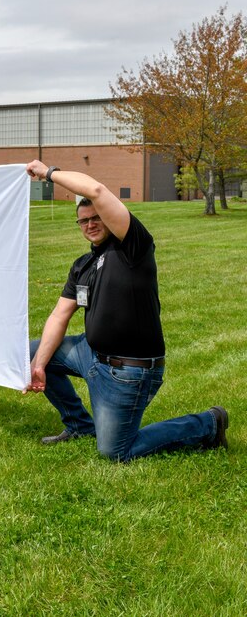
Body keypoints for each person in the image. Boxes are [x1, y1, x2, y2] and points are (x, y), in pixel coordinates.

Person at [24, 160, 228, 462]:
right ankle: (80, 425)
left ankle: (208, 423)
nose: (90, 224)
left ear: (108, 218)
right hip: (90, 353)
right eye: (83, 221)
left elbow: (95, 189)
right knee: (31, 351)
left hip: (128, 369)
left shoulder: (132, 246)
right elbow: (59, 315)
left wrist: (48, 173)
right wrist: (39, 365)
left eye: (96, 217)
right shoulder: (82, 265)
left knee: (116, 451)